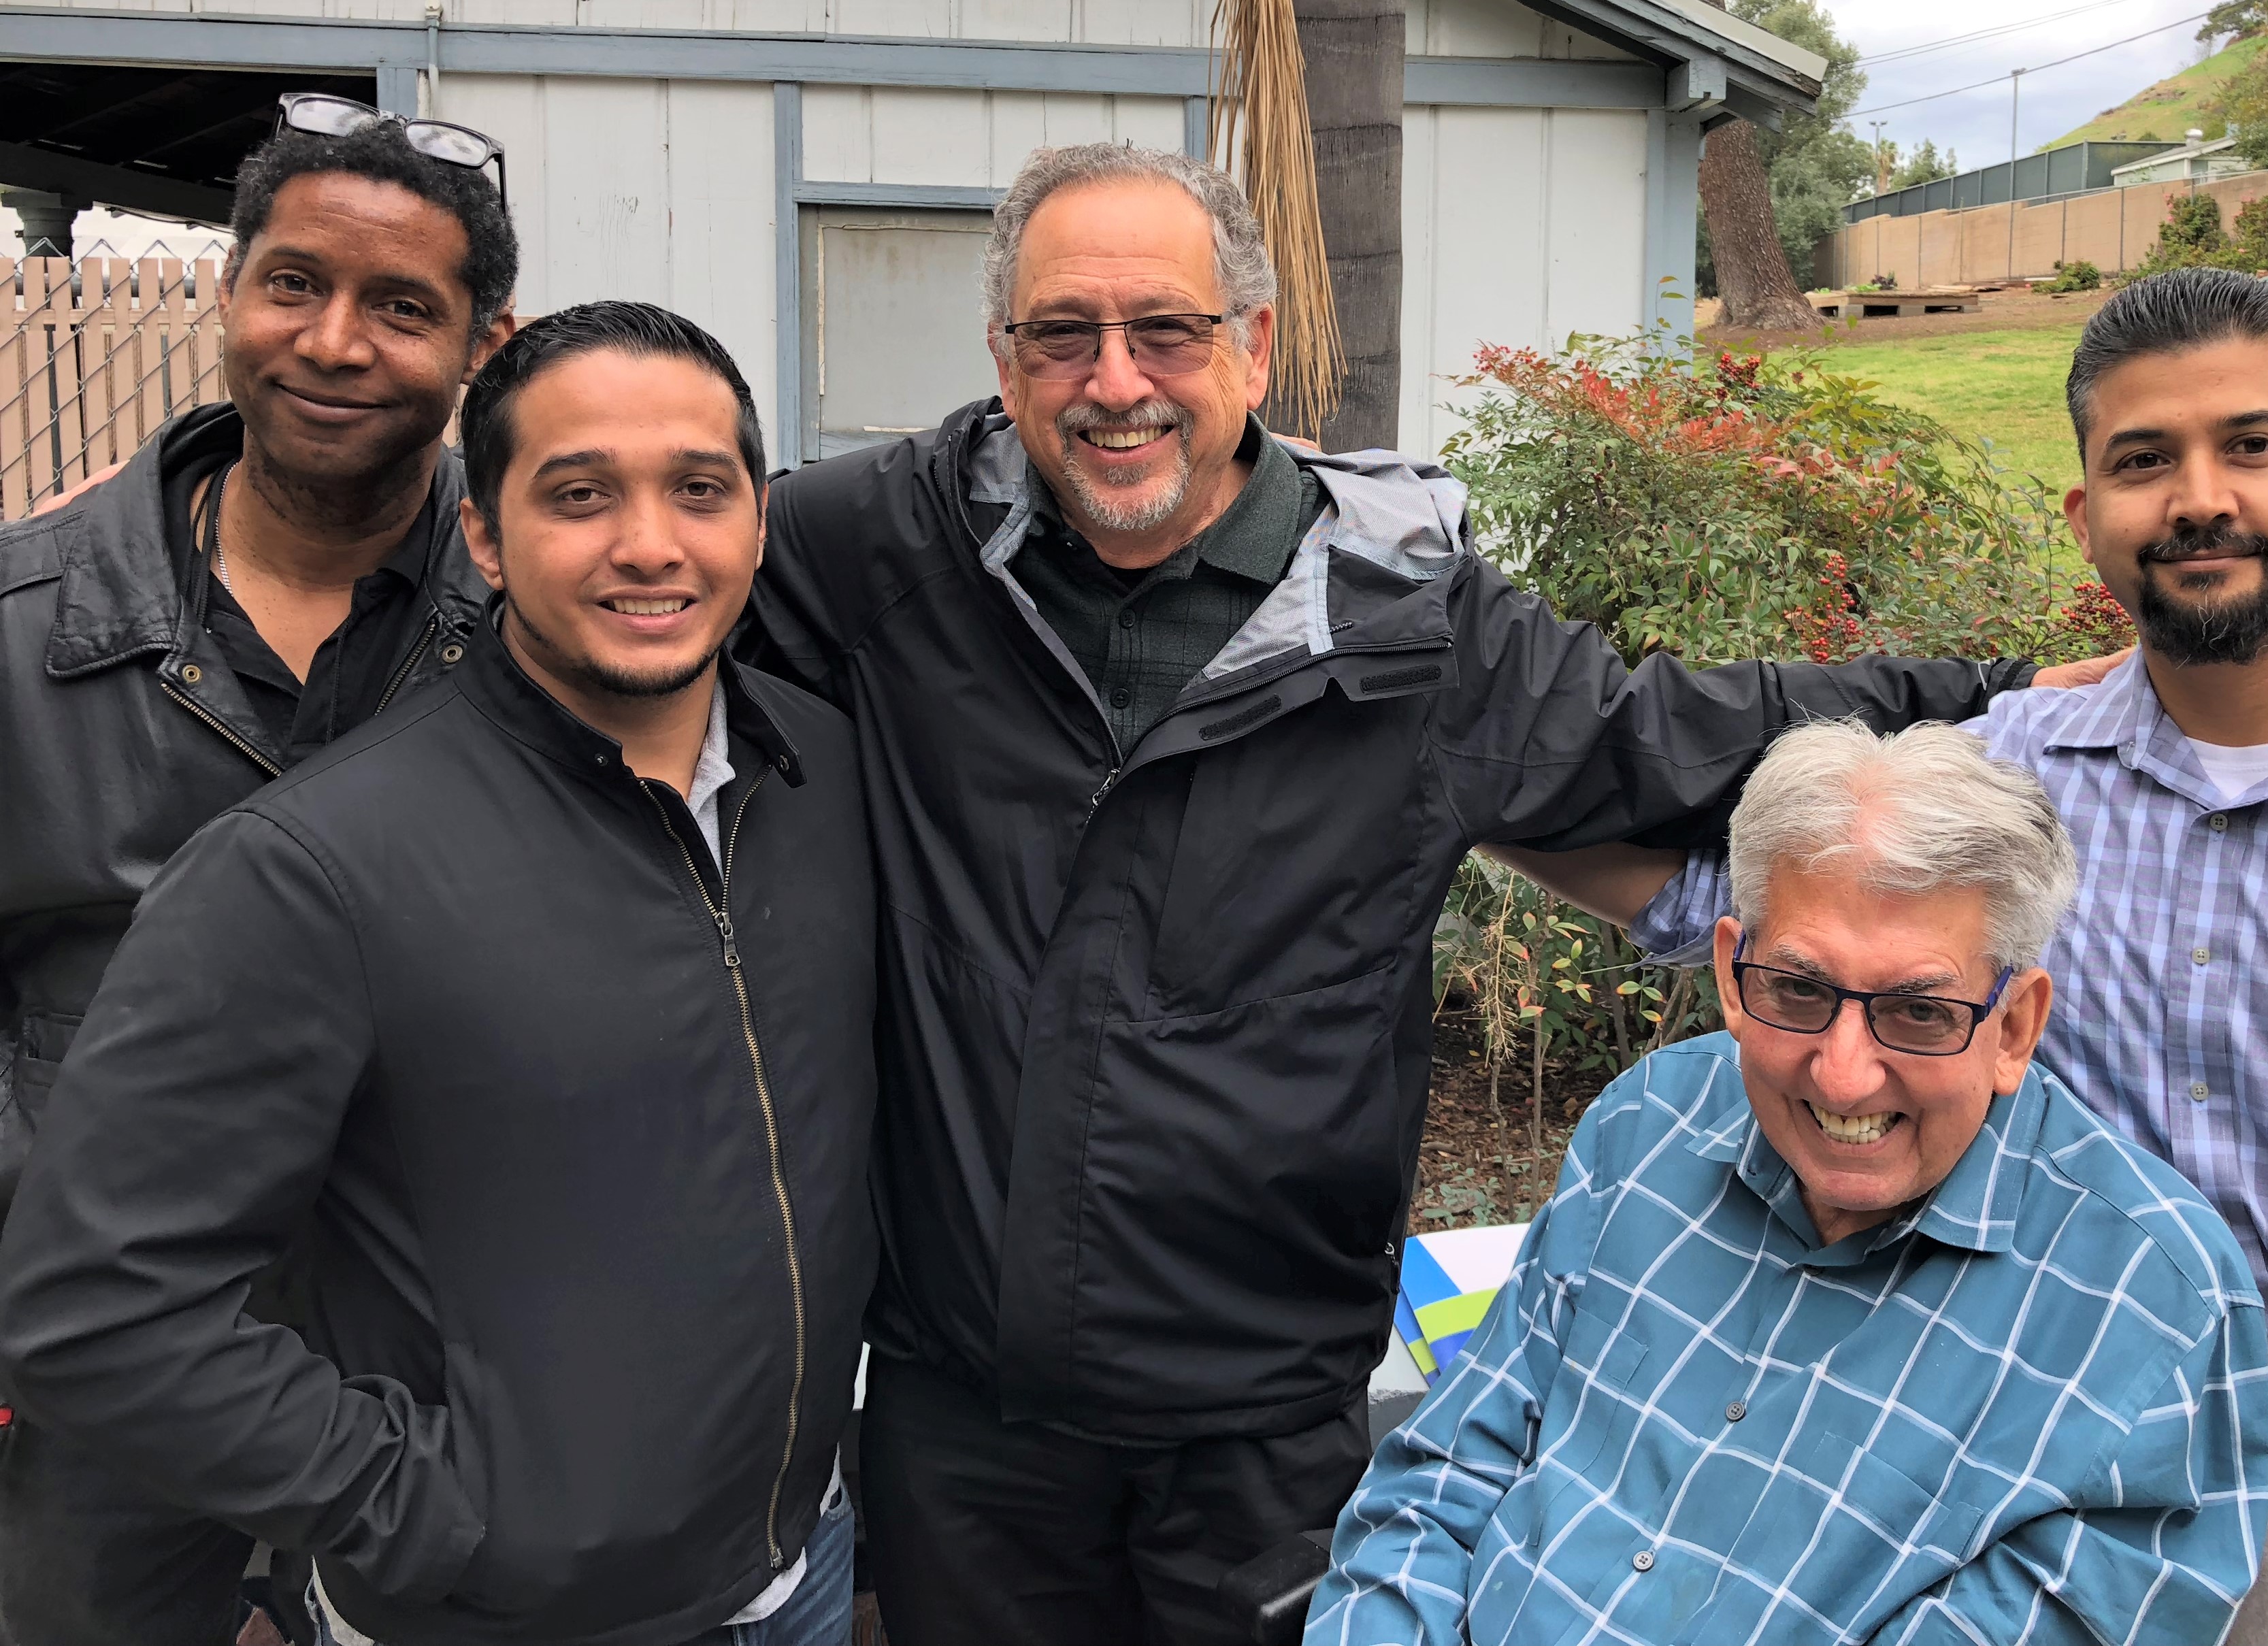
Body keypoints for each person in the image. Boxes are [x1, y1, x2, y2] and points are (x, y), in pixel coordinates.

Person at [741, 139, 2103, 1644]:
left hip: (1261, 1423)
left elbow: (1662, 735)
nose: (1114, 381)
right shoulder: (880, 550)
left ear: (1252, 346)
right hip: (962, 1411)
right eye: (1062, 334)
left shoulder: (1407, 624)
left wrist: (1995, 696)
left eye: (1167, 331)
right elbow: (640, 573)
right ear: (1004, 359)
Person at [1604, 268, 2268, 1645]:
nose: (2197, 498)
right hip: (2074, 1574)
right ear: (2087, 519)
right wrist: (1445, 789)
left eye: (2248, 445)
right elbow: (1723, 910)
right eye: (2143, 461)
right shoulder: (2004, 782)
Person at [0, 301, 877, 1645]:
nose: (650, 543)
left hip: (799, 1569)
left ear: (758, 520)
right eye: (579, 494)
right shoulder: (310, 867)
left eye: (699, 490)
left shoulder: (822, 780)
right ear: (483, 534)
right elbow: (95, 1307)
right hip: (501, 1615)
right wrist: (435, 1515)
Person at [1309, 720, 2268, 1645]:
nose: (1843, 1078)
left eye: (1920, 1012)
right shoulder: (1648, 1126)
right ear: (1732, 974)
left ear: (2014, 1027)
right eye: (1800, 991)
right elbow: (1444, 1476)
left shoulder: (2146, 1308)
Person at [0, 103, 519, 1645]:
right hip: (96, 1390)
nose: (333, 342)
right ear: (231, 293)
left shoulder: (541, 644)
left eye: (401, 306)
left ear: (481, 346)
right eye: (295, 284)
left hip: (435, 1372)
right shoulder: (22, 638)